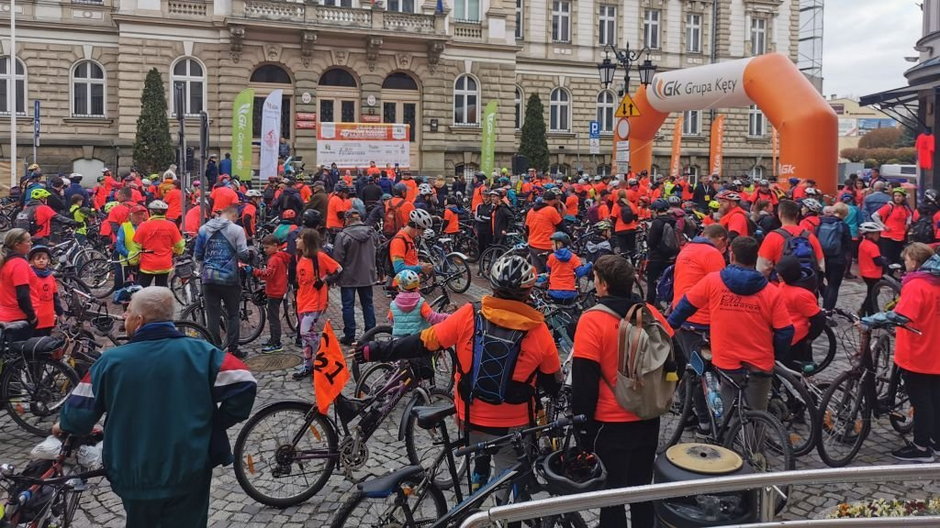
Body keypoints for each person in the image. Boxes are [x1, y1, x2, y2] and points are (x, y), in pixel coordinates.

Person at [356, 255, 562, 493]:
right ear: (528, 292)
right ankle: (505, 515)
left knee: (479, 453)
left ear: (493, 287)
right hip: (514, 424)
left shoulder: (468, 316)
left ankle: (476, 488)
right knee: (509, 482)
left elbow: (423, 342)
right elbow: (553, 383)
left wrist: (374, 349)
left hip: (471, 416)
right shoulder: (539, 331)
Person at [57, 286, 257, 528]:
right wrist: (216, 421)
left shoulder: (111, 362)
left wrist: (62, 425)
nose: (124, 318)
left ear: (139, 320)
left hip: (134, 472)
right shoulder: (201, 353)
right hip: (189, 467)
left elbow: (77, 418)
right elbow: (245, 383)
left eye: (128, 313)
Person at [571, 254, 664, 528]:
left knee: (611, 495)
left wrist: (582, 429)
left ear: (602, 284)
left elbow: (584, 381)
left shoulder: (592, 320)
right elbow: (677, 361)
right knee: (641, 490)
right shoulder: (650, 313)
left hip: (609, 423)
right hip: (647, 417)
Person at [668, 237, 794, 411]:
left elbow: (686, 305)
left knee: (728, 411)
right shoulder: (771, 291)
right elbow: (785, 331)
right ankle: (752, 435)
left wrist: (669, 326)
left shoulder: (713, 281)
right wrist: (774, 354)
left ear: (731, 254)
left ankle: (726, 434)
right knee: (756, 413)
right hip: (759, 360)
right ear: (755, 257)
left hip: (726, 358)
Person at [861, 244, 940, 461]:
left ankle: (921, 447)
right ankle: (936, 441)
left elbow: (901, 316)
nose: (905, 264)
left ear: (914, 261)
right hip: (936, 351)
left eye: (906, 260)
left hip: (918, 354)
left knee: (921, 401)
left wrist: (869, 321)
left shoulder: (918, 286)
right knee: (935, 398)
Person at [671, 224, 728, 433]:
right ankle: (706, 421)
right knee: (701, 371)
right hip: (702, 319)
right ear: (720, 239)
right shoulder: (712, 254)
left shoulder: (685, 250)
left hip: (682, 316)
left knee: (689, 367)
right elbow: (720, 286)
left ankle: (689, 415)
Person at [194, 206, 251, 358]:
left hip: (209, 278)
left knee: (212, 315)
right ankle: (233, 349)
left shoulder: (203, 229)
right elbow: (243, 254)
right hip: (229, 279)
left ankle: (215, 348)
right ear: (233, 215)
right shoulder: (236, 230)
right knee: (233, 314)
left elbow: (198, 255)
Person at [292, 229, 342, 380]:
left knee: (305, 332)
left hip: (315, 302)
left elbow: (338, 269)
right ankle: (309, 366)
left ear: (307, 241)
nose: (296, 241)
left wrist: (324, 279)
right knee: (305, 337)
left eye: (299, 238)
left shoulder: (319, 257)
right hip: (302, 300)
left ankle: (326, 352)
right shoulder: (300, 256)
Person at [333, 209, 380, 346]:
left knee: (348, 306)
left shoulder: (342, 235)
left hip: (349, 276)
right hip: (367, 274)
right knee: (368, 305)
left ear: (347, 220)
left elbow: (338, 258)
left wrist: (334, 277)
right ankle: (370, 334)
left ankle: (350, 334)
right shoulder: (372, 233)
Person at [757, 199, 825, 286]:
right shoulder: (810, 236)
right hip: (806, 288)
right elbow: (821, 265)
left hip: (780, 288)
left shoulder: (772, 236)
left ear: (780, 214)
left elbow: (762, 268)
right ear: (797, 214)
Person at [775, 256, 825, 369]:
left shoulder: (800, 295)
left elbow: (818, 318)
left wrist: (809, 338)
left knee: (793, 370)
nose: (777, 275)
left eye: (780, 273)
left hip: (795, 338)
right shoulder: (784, 285)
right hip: (786, 334)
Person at [248, 235, 292, 353]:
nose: (265, 250)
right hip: (278, 289)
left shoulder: (274, 259)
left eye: (267, 247)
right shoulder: (280, 257)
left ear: (275, 246)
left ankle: (276, 343)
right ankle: (273, 339)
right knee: (273, 317)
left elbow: (268, 275)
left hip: (274, 291)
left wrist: (254, 271)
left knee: (273, 318)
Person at [134, 200, 185, 288]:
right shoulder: (171, 225)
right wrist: (176, 251)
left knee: (141, 289)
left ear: (151, 212)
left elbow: (136, 245)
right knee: (162, 289)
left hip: (147, 264)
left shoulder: (143, 225)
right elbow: (179, 245)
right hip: (164, 264)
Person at [387, 270, 449, 337]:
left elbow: (390, 319)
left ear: (399, 288)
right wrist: (448, 317)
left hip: (400, 341)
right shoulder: (421, 302)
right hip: (418, 340)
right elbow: (432, 317)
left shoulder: (393, 304)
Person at [0, 229, 36, 341]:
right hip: (18, 317)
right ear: (17, 244)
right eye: (28, 241)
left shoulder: (4, 261)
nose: (31, 244)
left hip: (4, 315)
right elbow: (23, 295)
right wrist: (32, 317)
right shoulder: (19, 264)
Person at [541, 232, 592, 305]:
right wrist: (590, 264)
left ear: (559, 244)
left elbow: (548, 269)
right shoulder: (574, 257)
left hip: (554, 292)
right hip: (570, 294)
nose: (551, 246)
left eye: (552, 244)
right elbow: (580, 273)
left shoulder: (552, 257)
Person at [817, 205, 852, 310]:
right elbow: (848, 245)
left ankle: (824, 301)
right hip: (837, 259)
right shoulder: (843, 225)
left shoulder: (821, 222)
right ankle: (828, 311)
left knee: (823, 282)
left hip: (822, 257)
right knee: (834, 286)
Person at [645, 199, 680, 305]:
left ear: (656, 210)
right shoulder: (673, 221)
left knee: (652, 282)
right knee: (669, 281)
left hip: (657, 257)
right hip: (671, 256)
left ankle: (651, 307)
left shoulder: (657, 222)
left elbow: (651, 242)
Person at [872, 188, 914, 265]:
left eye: (899, 196)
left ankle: (892, 274)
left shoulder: (905, 208)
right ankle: (886, 273)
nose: (897, 198)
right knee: (887, 258)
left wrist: (908, 224)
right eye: (895, 196)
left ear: (903, 197)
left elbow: (910, 215)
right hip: (887, 236)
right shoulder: (889, 206)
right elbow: (875, 216)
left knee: (896, 258)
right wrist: (883, 226)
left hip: (900, 236)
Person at [526, 190, 564, 273]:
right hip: (546, 245)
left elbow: (527, 228)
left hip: (532, 244)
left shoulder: (531, 210)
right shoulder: (551, 210)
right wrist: (571, 236)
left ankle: (536, 285)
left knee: (537, 271)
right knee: (551, 271)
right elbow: (561, 226)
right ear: (553, 200)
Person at [27, 245, 60, 337]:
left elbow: (55, 296)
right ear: (32, 262)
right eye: (37, 259)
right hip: (36, 318)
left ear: (48, 261)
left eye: (43, 258)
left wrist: (59, 312)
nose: (41, 260)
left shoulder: (50, 277)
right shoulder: (30, 277)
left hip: (48, 317)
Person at [389, 209, 434, 276]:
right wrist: (420, 268)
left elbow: (409, 261)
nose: (422, 234)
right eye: (422, 230)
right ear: (416, 226)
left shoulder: (409, 238)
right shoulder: (399, 241)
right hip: (402, 284)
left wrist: (420, 264)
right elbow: (398, 269)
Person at [857, 222, 889, 316]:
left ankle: (866, 310)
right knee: (873, 294)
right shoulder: (873, 246)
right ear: (870, 234)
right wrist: (886, 263)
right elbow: (877, 261)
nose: (878, 235)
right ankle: (867, 311)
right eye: (877, 233)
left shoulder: (863, 243)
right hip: (873, 273)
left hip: (865, 272)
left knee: (871, 293)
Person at [611, 189, 639, 255]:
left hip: (620, 230)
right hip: (631, 228)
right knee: (632, 248)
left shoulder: (616, 205)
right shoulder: (630, 204)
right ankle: (633, 262)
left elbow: (613, 218)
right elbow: (635, 216)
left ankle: (624, 262)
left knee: (623, 250)